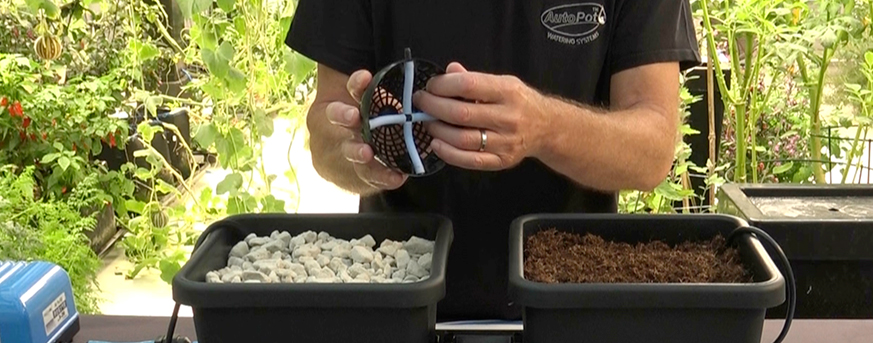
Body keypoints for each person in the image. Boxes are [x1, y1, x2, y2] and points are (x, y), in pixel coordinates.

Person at [285, 1, 701, 320]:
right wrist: (354, 153)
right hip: (401, 297)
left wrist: (545, 127)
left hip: (568, 307)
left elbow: (653, 149)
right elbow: (326, 130)